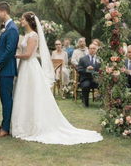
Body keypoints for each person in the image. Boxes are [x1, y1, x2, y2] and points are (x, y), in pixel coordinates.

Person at [11, 12, 103, 144]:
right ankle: (22, 121)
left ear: (29, 21)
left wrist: (14, 56)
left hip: (29, 66)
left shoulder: (33, 35)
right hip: (24, 67)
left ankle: (32, 124)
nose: (21, 21)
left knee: (31, 92)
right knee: (24, 93)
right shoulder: (26, 35)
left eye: (23, 19)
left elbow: (29, 54)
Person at [0, 2, 19, 137]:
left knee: (7, 99)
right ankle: (4, 123)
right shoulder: (6, 28)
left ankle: (6, 128)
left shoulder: (12, 29)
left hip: (7, 70)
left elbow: (9, 51)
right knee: (4, 99)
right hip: (3, 70)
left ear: (4, 12)